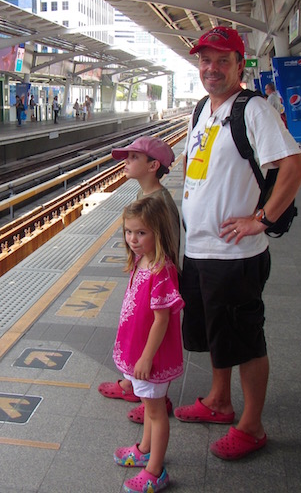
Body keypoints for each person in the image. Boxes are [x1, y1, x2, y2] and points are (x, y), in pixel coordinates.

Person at [176, 26, 301, 461]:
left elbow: (294, 167)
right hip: (200, 251)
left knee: (245, 339)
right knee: (218, 334)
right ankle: (218, 400)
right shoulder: (202, 109)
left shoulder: (253, 110)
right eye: (205, 61)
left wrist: (262, 220)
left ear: (240, 65)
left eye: (222, 61)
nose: (211, 69)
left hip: (234, 255)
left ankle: (251, 426)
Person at [99, 136, 180, 425]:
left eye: (133, 157)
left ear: (153, 165)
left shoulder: (159, 203)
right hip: (144, 281)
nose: (126, 162)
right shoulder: (148, 197)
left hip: (156, 287)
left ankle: (156, 399)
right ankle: (135, 385)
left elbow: (166, 252)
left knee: (150, 333)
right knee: (137, 334)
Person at [111, 196, 184, 493]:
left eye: (141, 233)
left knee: (155, 411)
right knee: (148, 406)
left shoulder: (161, 271)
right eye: (129, 232)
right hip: (140, 352)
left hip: (151, 358)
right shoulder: (142, 260)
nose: (133, 239)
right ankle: (144, 449)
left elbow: (162, 320)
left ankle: (156, 470)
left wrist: (145, 359)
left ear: (158, 232)